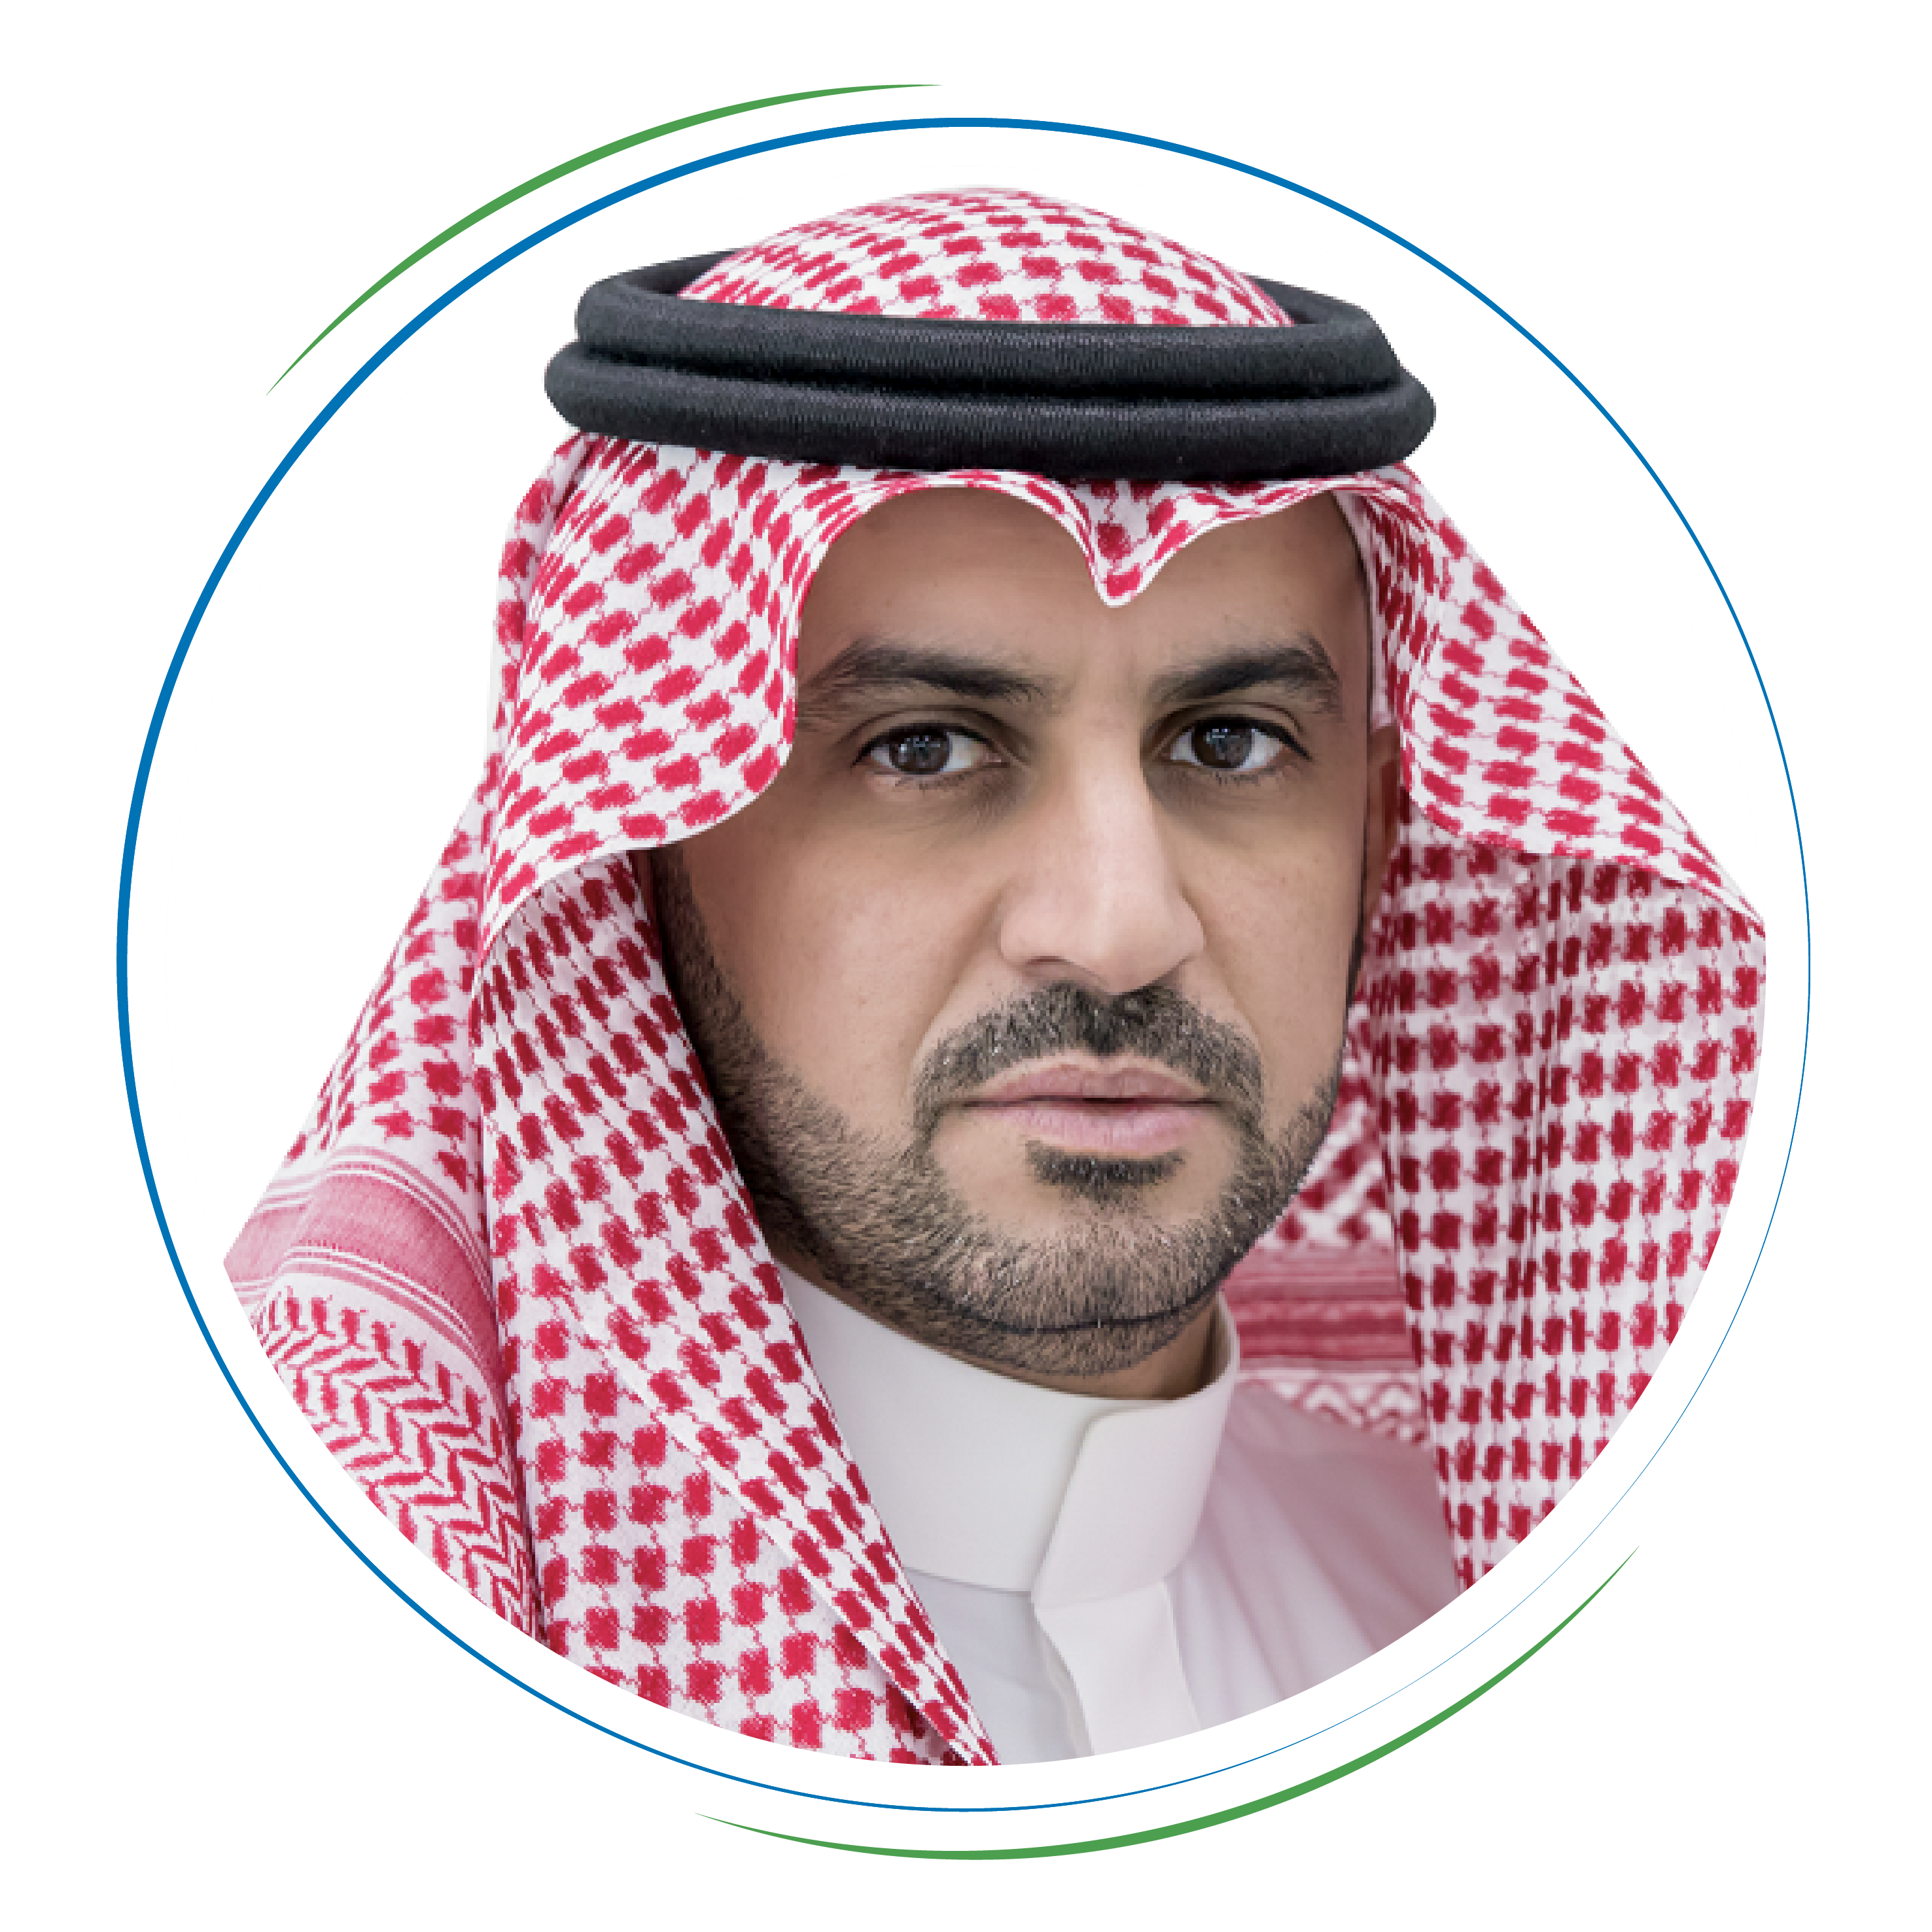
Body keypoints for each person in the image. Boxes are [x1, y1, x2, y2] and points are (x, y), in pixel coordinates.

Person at [228, 188, 1766, 1767]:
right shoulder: (341, 1649)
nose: (1117, 929)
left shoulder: (1511, 1637)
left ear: (1382, 836)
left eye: (1229, 745)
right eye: (925, 749)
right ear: (635, 850)